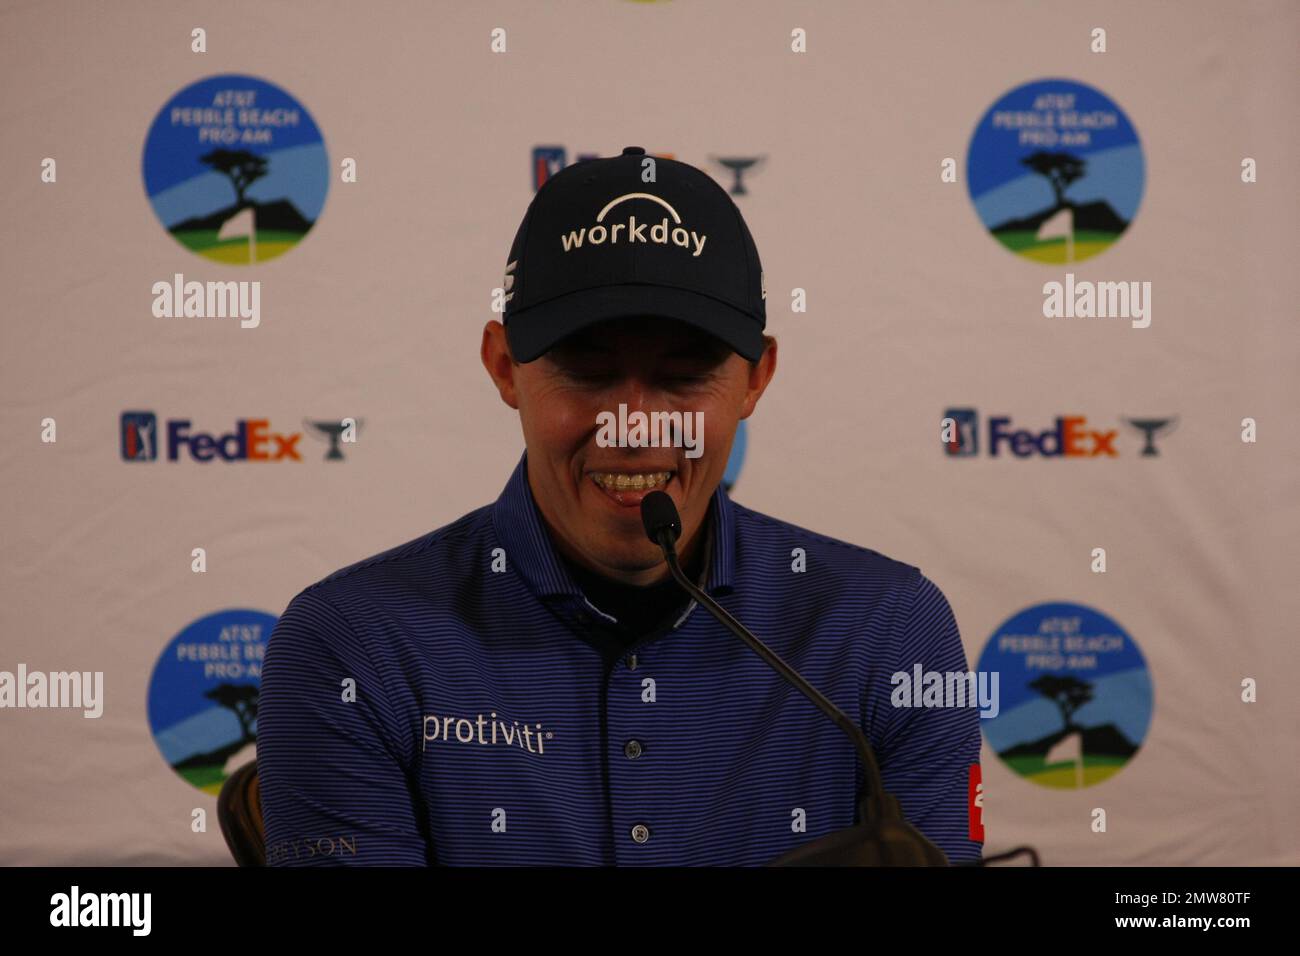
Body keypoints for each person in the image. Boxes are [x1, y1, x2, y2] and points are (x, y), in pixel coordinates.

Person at [256, 146, 983, 866]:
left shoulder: (890, 630)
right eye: (589, 370)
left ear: (757, 378)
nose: (633, 423)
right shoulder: (350, 643)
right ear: (505, 367)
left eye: (685, 373)